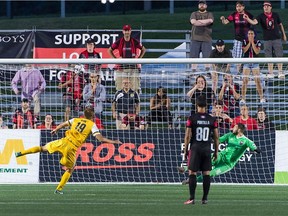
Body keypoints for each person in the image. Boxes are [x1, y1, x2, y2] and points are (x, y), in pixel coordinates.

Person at [15, 107, 122, 194]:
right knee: (70, 169)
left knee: (42, 148)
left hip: (63, 141)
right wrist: (114, 142)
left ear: (83, 114)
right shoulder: (92, 125)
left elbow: (63, 124)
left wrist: (55, 129)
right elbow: (100, 139)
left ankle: (21, 153)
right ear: (92, 116)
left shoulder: (75, 119)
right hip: (71, 148)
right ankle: (59, 189)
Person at [179, 123, 260, 184]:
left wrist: (256, 150)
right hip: (221, 156)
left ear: (239, 130)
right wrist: (211, 136)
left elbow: (253, 147)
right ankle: (185, 168)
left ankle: (191, 181)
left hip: (228, 164)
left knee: (210, 174)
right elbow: (218, 140)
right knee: (204, 162)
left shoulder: (246, 141)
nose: (232, 128)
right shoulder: (230, 135)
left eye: (234, 127)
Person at [183, 95, 219, 205]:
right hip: (207, 149)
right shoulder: (212, 119)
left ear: (196, 105)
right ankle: (204, 199)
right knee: (206, 173)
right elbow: (216, 137)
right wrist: (216, 151)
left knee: (192, 172)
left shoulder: (192, 118)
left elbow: (188, 136)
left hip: (195, 148)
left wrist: (185, 150)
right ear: (206, 105)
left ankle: (192, 198)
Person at [244, 1, 286, 79]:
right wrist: (248, 19)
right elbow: (254, 22)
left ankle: (280, 72)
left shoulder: (275, 15)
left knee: (279, 55)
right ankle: (271, 73)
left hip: (276, 38)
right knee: (268, 56)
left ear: (271, 7)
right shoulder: (261, 16)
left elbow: (280, 25)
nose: (265, 7)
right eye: (264, 6)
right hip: (267, 39)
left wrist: (284, 34)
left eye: (267, 6)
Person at [108, 24, 146, 92]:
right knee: (120, 88)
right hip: (121, 68)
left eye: (128, 30)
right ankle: (120, 101)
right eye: (125, 31)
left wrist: (139, 58)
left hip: (133, 67)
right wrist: (116, 59)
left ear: (130, 31)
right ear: (123, 31)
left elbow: (143, 49)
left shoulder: (134, 41)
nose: (127, 32)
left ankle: (134, 102)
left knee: (134, 88)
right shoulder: (119, 41)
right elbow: (109, 50)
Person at [220, 1, 254, 73]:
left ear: (243, 7)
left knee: (248, 56)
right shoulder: (234, 14)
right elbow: (226, 22)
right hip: (238, 39)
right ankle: (238, 72)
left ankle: (249, 71)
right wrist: (223, 19)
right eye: (237, 6)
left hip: (247, 39)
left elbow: (253, 22)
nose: (238, 8)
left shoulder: (248, 14)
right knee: (237, 57)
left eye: (240, 6)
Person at [241, 29, 265, 104]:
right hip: (246, 62)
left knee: (257, 80)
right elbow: (244, 50)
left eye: (252, 34)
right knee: (245, 80)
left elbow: (257, 51)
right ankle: (243, 98)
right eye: (249, 34)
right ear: (247, 35)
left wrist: (252, 43)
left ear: (254, 35)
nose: (250, 35)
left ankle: (261, 97)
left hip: (255, 62)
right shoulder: (244, 41)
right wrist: (249, 43)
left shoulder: (258, 42)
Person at [189, 0, 214, 73]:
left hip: (206, 38)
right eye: (200, 4)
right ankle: (193, 71)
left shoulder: (209, 13)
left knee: (207, 56)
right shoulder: (194, 13)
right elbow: (193, 22)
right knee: (194, 56)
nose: (201, 5)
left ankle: (207, 72)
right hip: (195, 38)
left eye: (203, 4)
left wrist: (198, 22)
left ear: (206, 5)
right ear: (198, 6)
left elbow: (210, 20)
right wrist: (205, 22)